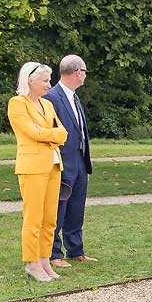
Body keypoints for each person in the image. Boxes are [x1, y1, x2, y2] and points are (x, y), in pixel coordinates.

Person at [7, 62, 69, 282]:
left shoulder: (47, 105)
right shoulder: (17, 104)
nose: (48, 85)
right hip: (32, 168)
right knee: (33, 218)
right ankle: (32, 262)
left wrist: (50, 133)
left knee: (50, 218)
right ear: (29, 80)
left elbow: (63, 133)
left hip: (53, 165)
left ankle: (45, 260)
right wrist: (52, 134)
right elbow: (31, 132)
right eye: (44, 80)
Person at [44, 54, 97, 268]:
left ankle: (76, 250)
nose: (85, 75)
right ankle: (54, 253)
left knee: (76, 208)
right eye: (84, 71)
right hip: (62, 163)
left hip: (79, 162)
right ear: (77, 72)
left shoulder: (73, 97)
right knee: (58, 208)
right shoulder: (52, 97)